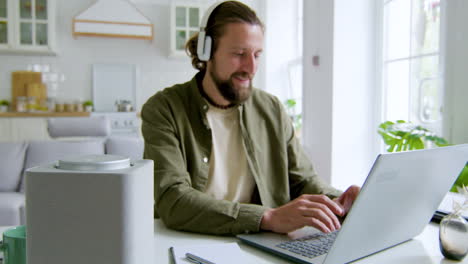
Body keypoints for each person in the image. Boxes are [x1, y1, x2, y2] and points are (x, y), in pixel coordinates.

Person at [141, 1, 360, 235]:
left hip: (260, 240)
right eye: (239, 54)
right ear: (206, 51)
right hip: (190, 239)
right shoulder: (164, 109)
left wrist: (339, 201)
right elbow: (173, 200)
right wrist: (267, 217)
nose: (251, 67)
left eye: (257, 54)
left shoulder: (272, 109)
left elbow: (303, 181)